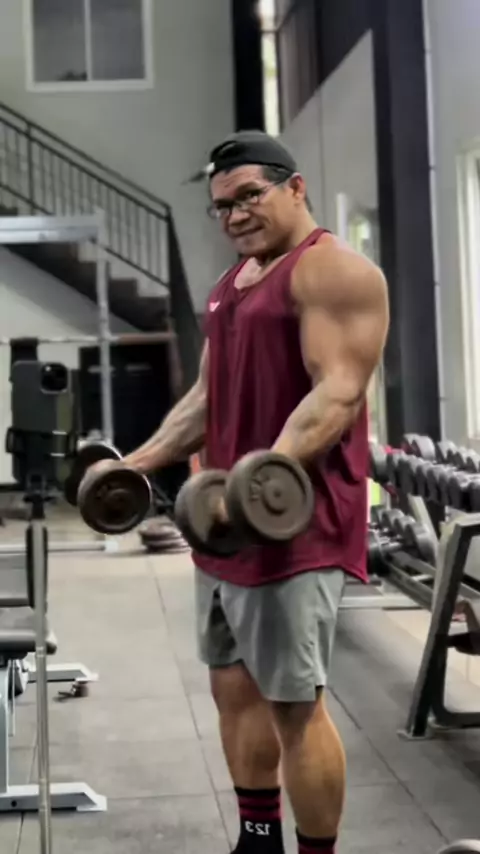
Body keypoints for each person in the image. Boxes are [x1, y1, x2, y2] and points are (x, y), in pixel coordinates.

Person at [123, 131, 389, 854]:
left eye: (249, 196)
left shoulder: (332, 271)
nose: (236, 214)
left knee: (294, 704)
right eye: (222, 205)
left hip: (291, 524)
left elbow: (337, 394)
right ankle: (258, 839)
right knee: (233, 690)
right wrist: (134, 465)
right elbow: (206, 397)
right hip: (224, 523)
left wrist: (260, 478)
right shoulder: (232, 283)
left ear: (294, 188)